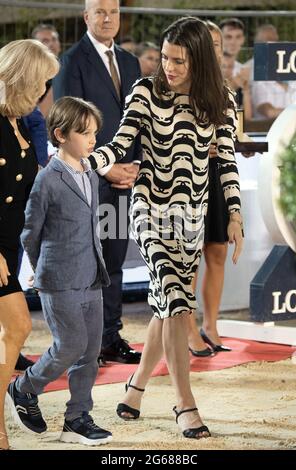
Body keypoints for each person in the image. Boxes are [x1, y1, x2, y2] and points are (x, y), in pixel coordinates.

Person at [88, 17, 243, 438]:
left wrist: (234, 215)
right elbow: (121, 143)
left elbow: (227, 163)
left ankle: (135, 388)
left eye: (179, 60)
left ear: (199, 61)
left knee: (164, 306)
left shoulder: (221, 100)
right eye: (166, 57)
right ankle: (185, 404)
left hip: (191, 217)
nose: (168, 67)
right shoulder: (143, 91)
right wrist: (88, 163)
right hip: (149, 210)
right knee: (176, 301)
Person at [6, 97, 112, 446]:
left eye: (94, 132)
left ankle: (77, 418)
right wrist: (39, 269)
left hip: (92, 277)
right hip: (58, 279)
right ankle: (24, 386)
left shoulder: (92, 173)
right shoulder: (47, 179)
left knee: (90, 352)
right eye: (84, 133)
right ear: (60, 134)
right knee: (71, 345)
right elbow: (29, 231)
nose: (92, 139)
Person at [53, 0, 142, 365]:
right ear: (86, 17)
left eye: (114, 12)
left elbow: (138, 121)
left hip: (124, 180)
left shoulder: (132, 62)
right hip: (87, 180)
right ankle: (84, 342)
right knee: (88, 263)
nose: (108, 18)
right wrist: (105, 168)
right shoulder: (72, 62)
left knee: (115, 259)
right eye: (100, 11)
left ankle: (109, 337)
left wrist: (134, 164)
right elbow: (67, 122)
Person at [0, 39, 58, 451]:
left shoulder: (22, 121)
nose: (43, 90)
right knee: (18, 325)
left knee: (14, 329)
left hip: (8, 242)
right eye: (40, 81)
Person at [187, 21, 244, 357]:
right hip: (188, 179)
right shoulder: (178, 87)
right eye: (209, 43)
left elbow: (227, 144)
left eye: (218, 44)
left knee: (217, 251)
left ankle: (211, 325)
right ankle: (189, 328)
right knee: (190, 257)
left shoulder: (225, 92)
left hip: (218, 175)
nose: (214, 49)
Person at [32, 24, 61, 118]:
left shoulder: (67, 66)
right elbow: (37, 116)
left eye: (54, 39)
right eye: (45, 41)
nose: (51, 44)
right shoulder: (30, 73)